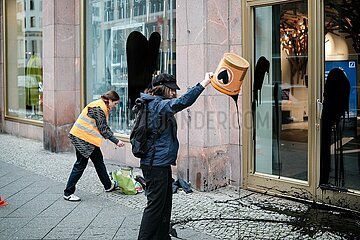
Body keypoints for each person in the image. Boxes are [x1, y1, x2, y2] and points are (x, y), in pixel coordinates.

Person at [138, 72, 212, 240]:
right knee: (155, 206)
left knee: (165, 204)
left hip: (160, 163)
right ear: (162, 89)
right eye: (170, 90)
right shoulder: (156, 104)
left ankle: (163, 237)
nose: (173, 92)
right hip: (154, 164)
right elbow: (181, 102)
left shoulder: (155, 104)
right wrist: (204, 83)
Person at [63, 90, 125, 202]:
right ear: (110, 100)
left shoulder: (100, 105)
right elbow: (103, 129)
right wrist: (116, 141)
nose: (115, 106)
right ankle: (68, 192)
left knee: (98, 162)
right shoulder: (99, 108)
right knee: (80, 164)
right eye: (115, 104)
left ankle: (108, 185)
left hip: (88, 139)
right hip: (82, 138)